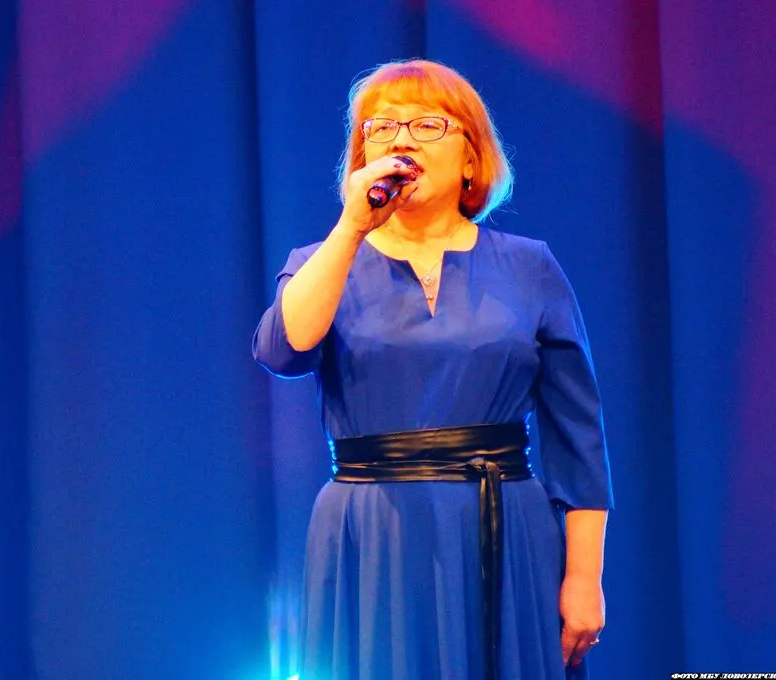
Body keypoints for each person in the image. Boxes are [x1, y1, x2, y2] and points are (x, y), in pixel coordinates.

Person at [252, 59, 614, 680]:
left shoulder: (530, 267)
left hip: (505, 527)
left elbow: (577, 437)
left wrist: (584, 578)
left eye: (425, 125)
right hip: (371, 533)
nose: (401, 140)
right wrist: (352, 227)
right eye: (381, 128)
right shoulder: (321, 261)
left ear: (471, 158)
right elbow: (284, 350)